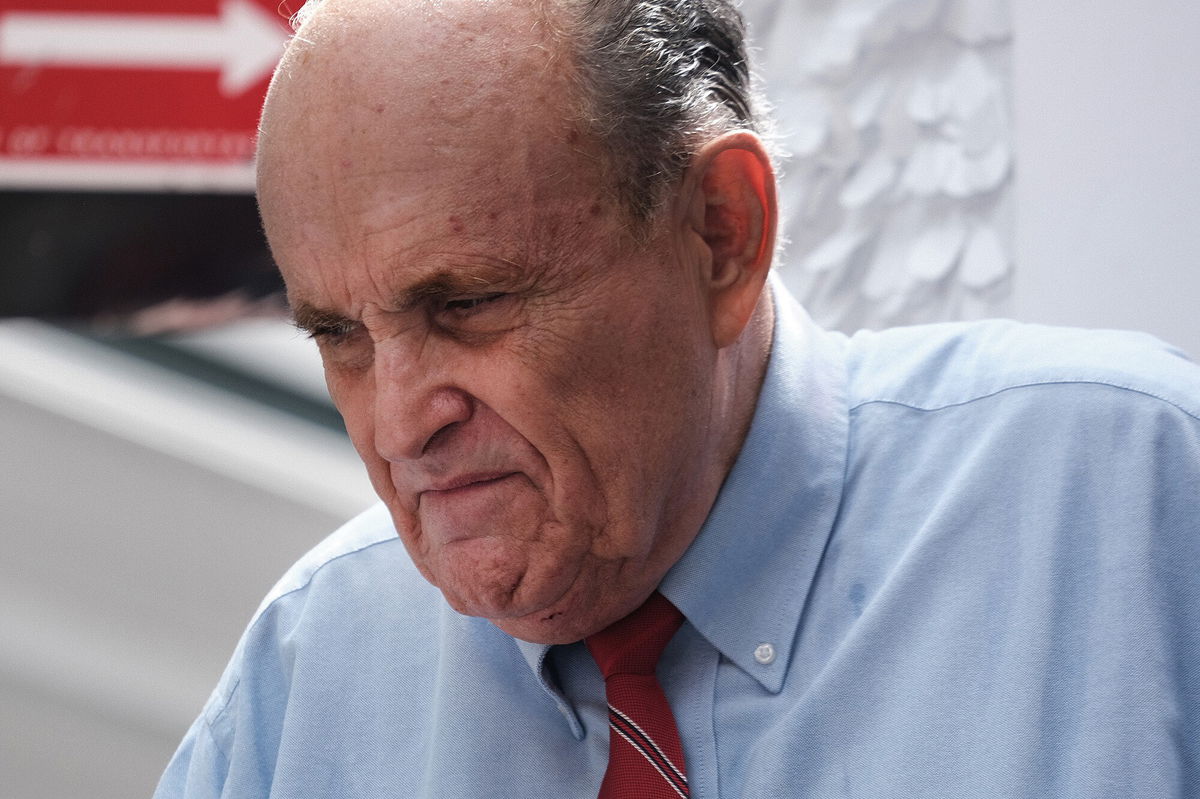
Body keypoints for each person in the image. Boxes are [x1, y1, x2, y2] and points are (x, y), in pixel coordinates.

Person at [156, 0, 1200, 795]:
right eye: (337, 335)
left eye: (468, 302)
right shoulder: (315, 668)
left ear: (722, 233)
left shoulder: (1126, 503)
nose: (396, 422)